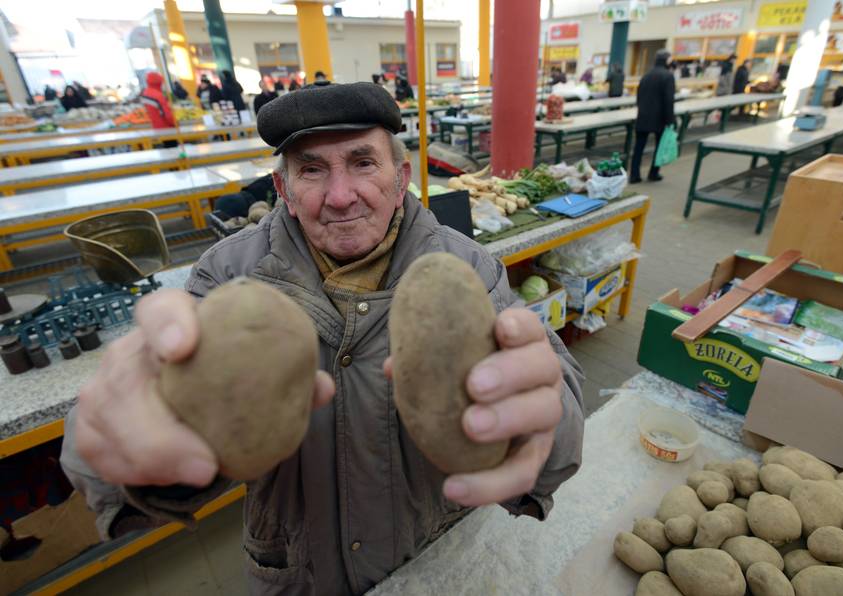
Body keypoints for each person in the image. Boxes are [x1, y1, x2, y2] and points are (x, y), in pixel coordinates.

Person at [60, 82, 585, 596]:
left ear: (401, 178)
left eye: (363, 163)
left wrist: (533, 423)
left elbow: (560, 426)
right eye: (312, 170)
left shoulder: (467, 268)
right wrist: (143, 447)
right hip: (299, 576)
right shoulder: (228, 274)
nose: (340, 196)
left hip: (432, 564)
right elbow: (127, 423)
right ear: (283, 189)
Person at [630, 49, 675, 184]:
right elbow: (668, 100)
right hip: (659, 118)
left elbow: (639, 97)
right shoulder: (668, 76)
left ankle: (634, 175)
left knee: (638, 148)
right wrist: (670, 120)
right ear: (667, 61)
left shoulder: (646, 75)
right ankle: (653, 173)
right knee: (659, 147)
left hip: (643, 116)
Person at [139, 72, 176, 144]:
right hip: (166, 128)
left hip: (156, 127)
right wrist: (174, 123)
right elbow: (167, 115)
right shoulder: (158, 95)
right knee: (172, 149)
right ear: (158, 82)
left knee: (165, 150)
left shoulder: (146, 93)